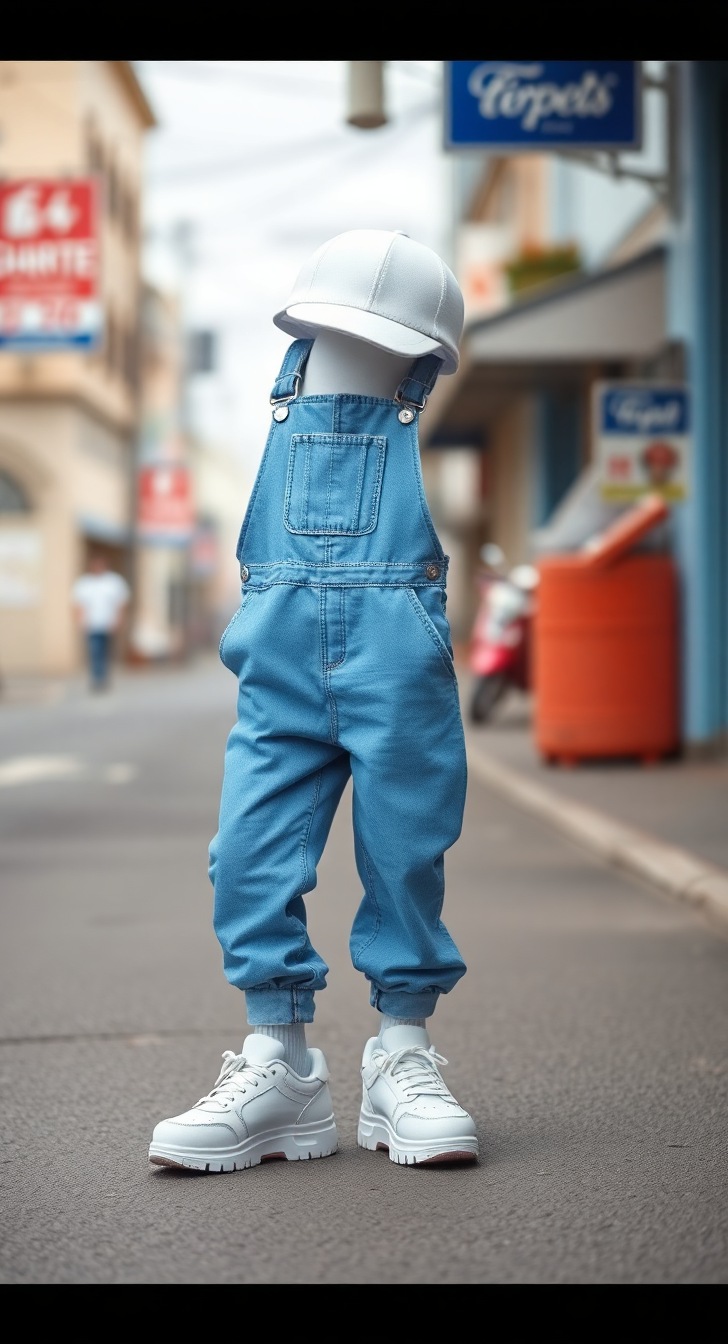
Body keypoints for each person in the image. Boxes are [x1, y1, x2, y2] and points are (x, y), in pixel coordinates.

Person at [149, 231, 478, 1173]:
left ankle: (401, 1056)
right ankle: (278, 1064)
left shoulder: (405, 420)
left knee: (407, 857)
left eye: (377, 336)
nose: (353, 346)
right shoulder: (282, 403)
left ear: (425, 365)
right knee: (246, 856)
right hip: (279, 675)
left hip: (396, 680)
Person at [71, 552, 130, 690]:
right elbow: (77, 604)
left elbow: (121, 603)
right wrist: (80, 621)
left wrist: (119, 620)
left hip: (108, 624)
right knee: (95, 651)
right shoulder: (84, 583)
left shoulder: (113, 581)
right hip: (91, 624)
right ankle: (97, 678)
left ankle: (103, 677)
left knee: (105, 652)